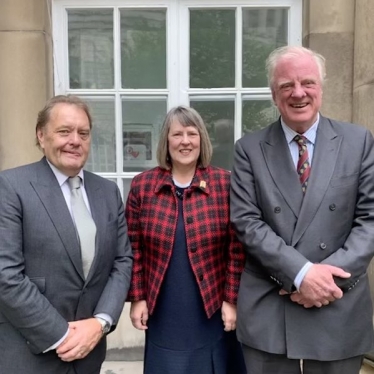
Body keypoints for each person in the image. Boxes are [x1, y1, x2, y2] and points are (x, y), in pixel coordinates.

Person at [230, 45, 374, 374]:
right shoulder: (248, 150)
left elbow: (370, 220)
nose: (298, 93)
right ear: (273, 94)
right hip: (271, 305)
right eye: (286, 85)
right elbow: (247, 222)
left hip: (338, 303)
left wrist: (323, 281)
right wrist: (300, 274)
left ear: (321, 87)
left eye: (307, 83)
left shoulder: (359, 141)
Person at [0, 95, 133, 374]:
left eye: (83, 133)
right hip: (30, 353)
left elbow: (122, 262)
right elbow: (5, 274)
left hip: (90, 353)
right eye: (64, 131)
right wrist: (64, 336)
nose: (75, 140)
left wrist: (100, 323)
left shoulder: (107, 193)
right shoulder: (11, 187)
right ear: (41, 135)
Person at [125, 106, 247, 374]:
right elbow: (132, 248)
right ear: (166, 141)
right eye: (177, 134)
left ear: (201, 139)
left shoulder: (224, 184)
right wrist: (137, 298)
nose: (185, 141)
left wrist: (231, 299)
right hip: (163, 307)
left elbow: (237, 250)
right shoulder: (142, 186)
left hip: (211, 307)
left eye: (192, 134)